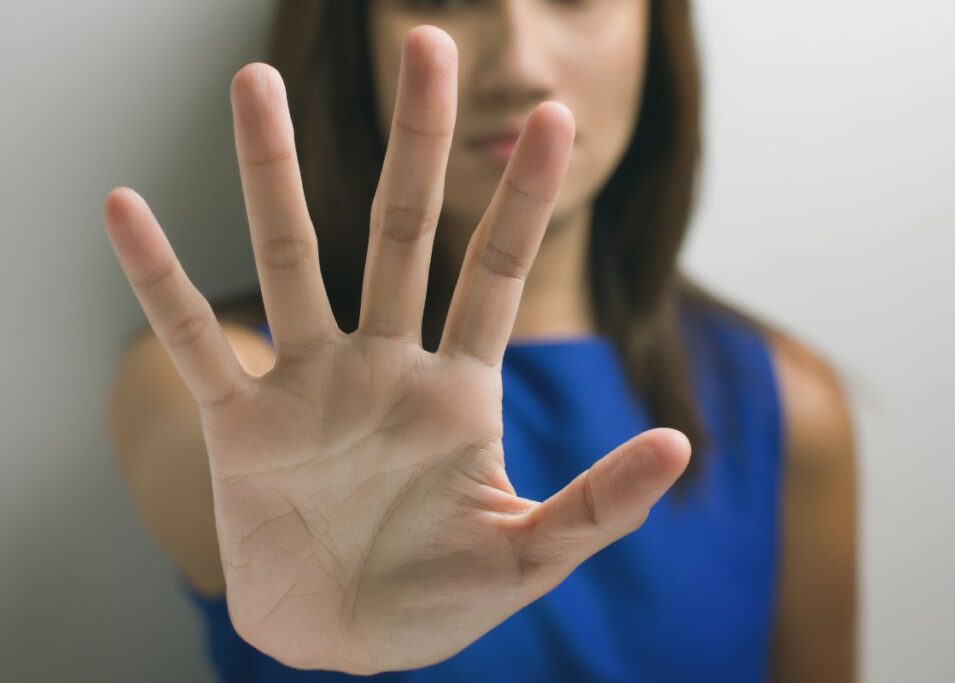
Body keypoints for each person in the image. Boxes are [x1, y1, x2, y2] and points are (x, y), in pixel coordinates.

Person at [104, 1, 857, 681]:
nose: (519, 67)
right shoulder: (227, 388)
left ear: (657, 31)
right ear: (350, 34)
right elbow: (198, 452)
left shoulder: (788, 406)